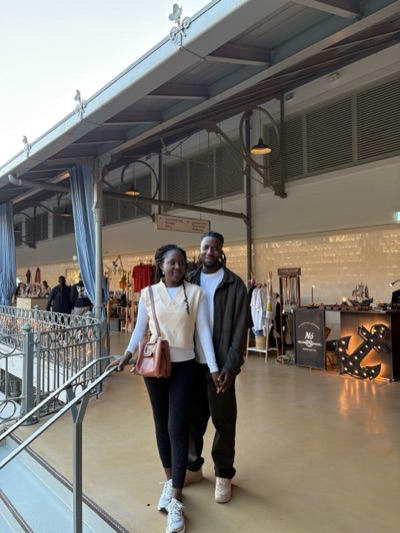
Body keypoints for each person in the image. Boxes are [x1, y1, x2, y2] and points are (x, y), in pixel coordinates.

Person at [106, 244, 221, 533]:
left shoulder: (195, 294)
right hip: (155, 366)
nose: (178, 267)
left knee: (176, 427)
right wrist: (127, 355)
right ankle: (170, 482)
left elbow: (203, 333)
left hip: (185, 367)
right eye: (172, 263)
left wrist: (213, 368)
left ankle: (177, 501)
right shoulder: (148, 293)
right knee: (161, 424)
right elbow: (139, 329)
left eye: (182, 263)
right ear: (161, 265)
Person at [185, 231, 248, 504]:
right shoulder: (189, 280)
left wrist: (230, 366)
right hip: (191, 363)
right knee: (192, 418)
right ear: (199, 250)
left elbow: (240, 330)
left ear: (221, 251)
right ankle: (192, 467)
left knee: (223, 420)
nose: (209, 252)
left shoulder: (235, 284)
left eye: (214, 248)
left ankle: (223, 473)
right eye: (205, 247)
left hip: (221, 366)